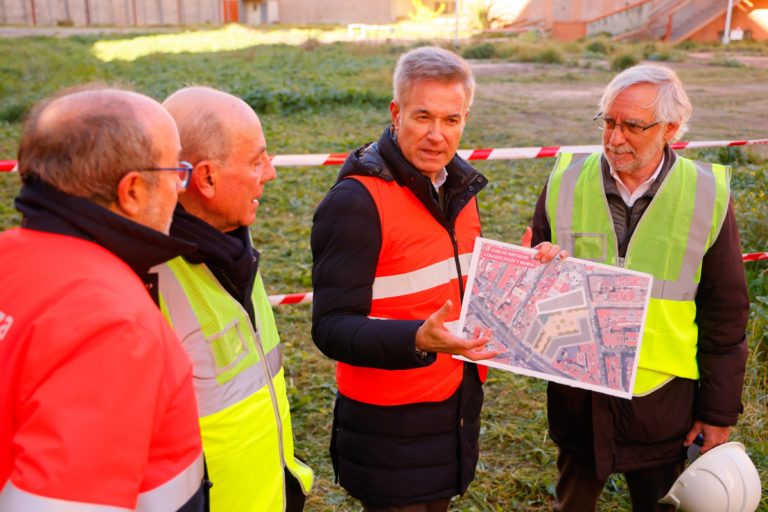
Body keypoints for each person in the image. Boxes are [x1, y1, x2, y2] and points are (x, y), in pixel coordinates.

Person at [311, 46, 561, 511]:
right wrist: (418, 339)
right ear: (396, 112)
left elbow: (457, 281)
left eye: (451, 120)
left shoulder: (459, 191)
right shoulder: (356, 202)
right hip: (390, 428)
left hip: (452, 412)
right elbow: (329, 328)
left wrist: (524, 272)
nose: (436, 135)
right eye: (422, 116)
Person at [529, 64, 750, 511]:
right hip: (580, 399)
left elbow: (725, 312)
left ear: (671, 128)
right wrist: (540, 269)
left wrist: (718, 412)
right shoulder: (565, 179)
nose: (614, 138)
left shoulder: (705, 194)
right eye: (608, 122)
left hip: (663, 406)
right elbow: (532, 288)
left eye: (632, 125)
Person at [0, 86, 207, 510]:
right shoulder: (114, 324)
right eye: (175, 171)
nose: (179, 190)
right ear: (132, 191)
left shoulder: (9, 253)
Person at [156, 86, 313, 512]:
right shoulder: (148, 284)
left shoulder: (231, 245)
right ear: (206, 178)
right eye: (256, 159)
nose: (270, 173)